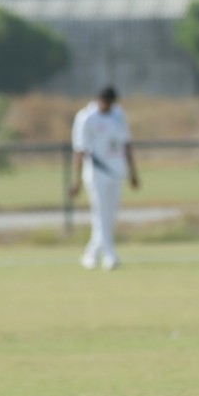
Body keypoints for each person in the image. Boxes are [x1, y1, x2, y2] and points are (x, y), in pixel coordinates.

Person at [70, 85, 138, 270]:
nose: (108, 107)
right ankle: (110, 254)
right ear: (98, 101)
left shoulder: (118, 115)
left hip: (116, 171)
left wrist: (133, 173)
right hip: (96, 172)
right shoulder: (86, 117)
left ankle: (91, 252)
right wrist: (76, 181)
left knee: (109, 215)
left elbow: (126, 144)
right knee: (100, 213)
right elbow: (79, 149)